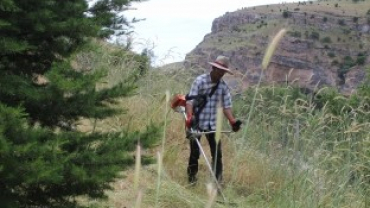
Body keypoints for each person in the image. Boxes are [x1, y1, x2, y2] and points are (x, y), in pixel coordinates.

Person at [185, 55, 242, 184]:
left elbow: (226, 107)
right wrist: (189, 118)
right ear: (213, 68)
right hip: (197, 122)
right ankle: (191, 180)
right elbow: (190, 102)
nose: (221, 73)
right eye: (219, 70)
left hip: (213, 125)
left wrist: (233, 122)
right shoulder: (200, 81)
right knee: (195, 153)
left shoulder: (223, 87)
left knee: (217, 154)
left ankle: (218, 182)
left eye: (223, 71)